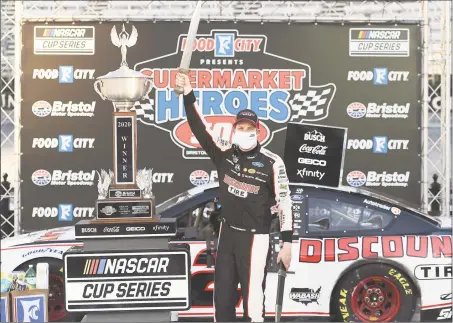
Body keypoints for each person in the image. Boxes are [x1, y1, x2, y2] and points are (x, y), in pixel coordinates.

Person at [175, 73, 293, 322]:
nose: (245, 131)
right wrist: (188, 95)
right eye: (241, 127)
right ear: (234, 129)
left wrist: (287, 243)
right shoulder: (224, 153)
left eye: (250, 129)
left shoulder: (273, 162)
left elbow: (284, 202)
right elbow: (200, 127)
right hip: (227, 235)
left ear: (258, 131)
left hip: (256, 238)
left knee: (252, 305)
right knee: (223, 303)